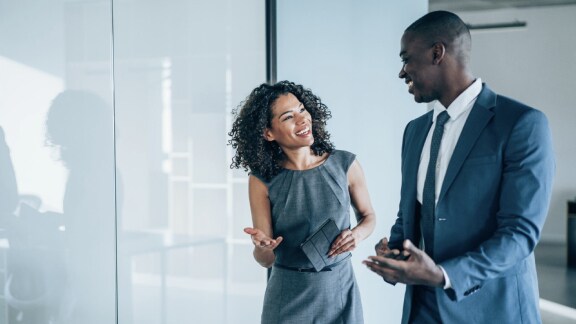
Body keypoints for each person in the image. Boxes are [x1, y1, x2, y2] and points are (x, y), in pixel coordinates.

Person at [363, 10, 555, 324]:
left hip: (491, 310)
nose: (402, 72)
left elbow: (519, 235)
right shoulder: (415, 131)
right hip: (421, 310)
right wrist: (394, 256)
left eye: (407, 59)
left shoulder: (521, 124)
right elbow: (409, 213)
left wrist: (443, 274)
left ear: (437, 53)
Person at [229, 81, 376, 323]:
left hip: (339, 290)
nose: (302, 119)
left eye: (302, 110)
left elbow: (369, 216)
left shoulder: (345, 165)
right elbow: (265, 260)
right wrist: (262, 247)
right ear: (268, 133)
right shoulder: (261, 181)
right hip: (288, 295)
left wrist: (357, 235)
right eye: (288, 117)